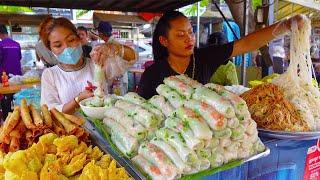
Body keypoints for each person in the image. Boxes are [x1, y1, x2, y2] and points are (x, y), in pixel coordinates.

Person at [138, 11, 306, 99]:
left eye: (191, 32)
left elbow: (245, 44)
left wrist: (285, 26)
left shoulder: (203, 57)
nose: (189, 39)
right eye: (180, 35)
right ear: (164, 41)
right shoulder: (152, 75)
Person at [39, 17, 137, 114]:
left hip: (101, 128)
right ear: (51, 49)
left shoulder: (97, 63)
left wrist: (114, 48)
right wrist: (77, 100)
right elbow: (49, 110)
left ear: (79, 39)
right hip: (70, 129)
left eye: (71, 40)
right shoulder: (50, 75)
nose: (67, 48)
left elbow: (132, 59)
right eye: (58, 45)